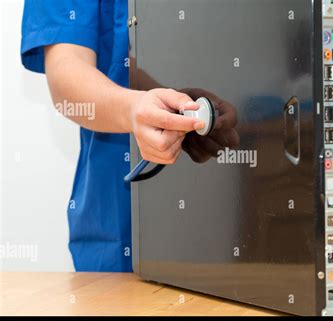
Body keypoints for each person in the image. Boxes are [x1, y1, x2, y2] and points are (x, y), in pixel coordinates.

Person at [21, 0, 211, 272]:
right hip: (119, 230)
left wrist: (192, 111)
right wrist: (135, 109)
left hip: (221, 230)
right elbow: (66, 69)